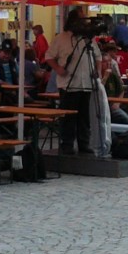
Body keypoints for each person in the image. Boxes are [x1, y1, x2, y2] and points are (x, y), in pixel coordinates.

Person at [46, 8, 101, 155]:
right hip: (68, 84)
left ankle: (84, 143)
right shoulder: (61, 39)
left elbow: (98, 56)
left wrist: (97, 71)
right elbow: (49, 56)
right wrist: (58, 69)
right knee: (68, 116)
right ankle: (67, 144)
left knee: (84, 117)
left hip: (86, 83)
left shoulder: (88, 39)